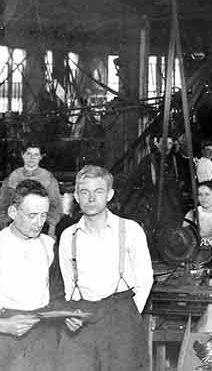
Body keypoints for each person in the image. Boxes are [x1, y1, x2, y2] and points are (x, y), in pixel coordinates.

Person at [58, 165, 154, 371]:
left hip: (121, 315)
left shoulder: (130, 230)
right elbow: (68, 284)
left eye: (98, 191)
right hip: (81, 317)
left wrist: (127, 317)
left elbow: (145, 279)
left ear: (109, 195)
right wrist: (70, 312)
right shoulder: (68, 236)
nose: (91, 198)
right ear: (76, 195)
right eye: (85, 192)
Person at [0, 180, 58, 371]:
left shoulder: (48, 246)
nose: (39, 223)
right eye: (32, 215)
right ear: (13, 213)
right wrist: (3, 326)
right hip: (7, 335)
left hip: (43, 333)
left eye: (43, 216)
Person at [0, 144, 62, 238]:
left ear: (40, 157)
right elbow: (3, 204)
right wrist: (4, 228)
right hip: (15, 228)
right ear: (23, 155)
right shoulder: (13, 177)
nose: (32, 158)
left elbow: (55, 206)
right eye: (29, 154)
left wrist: (51, 231)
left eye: (36, 154)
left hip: (40, 229)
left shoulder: (48, 178)